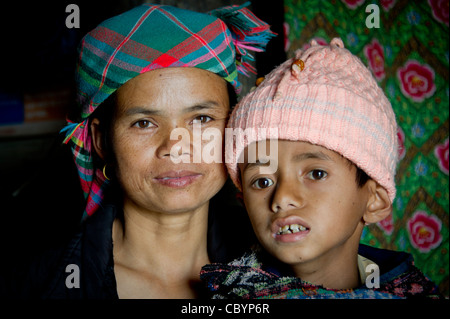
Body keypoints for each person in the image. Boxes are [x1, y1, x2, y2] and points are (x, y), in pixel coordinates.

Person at [1, 3, 274, 299]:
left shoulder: (282, 268)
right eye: (144, 123)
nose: (175, 147)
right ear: (102, 141)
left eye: (201, 119)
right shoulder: (38, 285)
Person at [200, 38, 442, 299]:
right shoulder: (229, 294)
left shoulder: (414, 292)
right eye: (261, 182)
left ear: (374, 200)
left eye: (316, 174)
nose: (282, 198)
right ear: (244, 204)